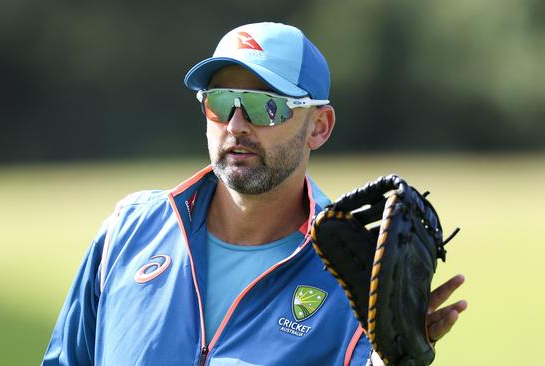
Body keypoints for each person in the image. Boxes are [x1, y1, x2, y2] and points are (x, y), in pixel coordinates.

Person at [42, 22, 467, 366]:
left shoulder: (358, 275)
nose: (237, 124)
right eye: (221, 102)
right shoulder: (129, 231)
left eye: (267, 106)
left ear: (318, 126)